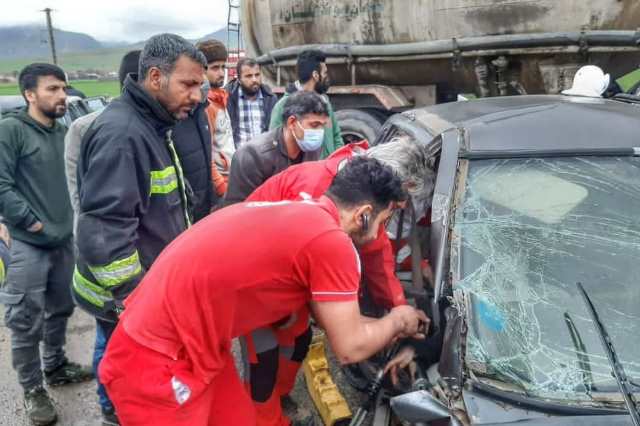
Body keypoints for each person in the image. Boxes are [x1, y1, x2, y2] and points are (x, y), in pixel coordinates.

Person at [99, 156, 429, 425]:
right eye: (383, 222)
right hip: (156, 362)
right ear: (363, 214)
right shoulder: (331, 242)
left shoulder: (300, 212)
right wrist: (399, 320)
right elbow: (350, 346)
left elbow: (336, 321)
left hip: (197, 347)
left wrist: (398, 317)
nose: (380, 235)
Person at [244, 136, 434, 425]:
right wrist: (391, 322)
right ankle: (263, 416)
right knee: (264, 361)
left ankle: (277, 405)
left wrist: (398, 306)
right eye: (393, 208)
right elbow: (347, 346)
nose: (380, 228)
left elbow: (377, 256)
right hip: (257, 289)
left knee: (296, 344)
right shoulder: (314, 191)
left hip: (287, 290)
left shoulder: (358, 199)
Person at [73, 34, 206, 425]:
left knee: (119, 360)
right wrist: (136, 301)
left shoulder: (150, 124)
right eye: (188, 84)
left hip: (139, 288)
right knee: (123, 369)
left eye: (199, 85)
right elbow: (104, 232)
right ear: (154, 77)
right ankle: (114, 414)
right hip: (123, 296)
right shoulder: (124, 135)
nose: (197, 95)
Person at [0, 63, 93, 426]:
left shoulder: (64, 131)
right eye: (52, 89)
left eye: (64, 88)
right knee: (25, 320)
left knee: (61, 309)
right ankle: (32, 388)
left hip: (64, 240)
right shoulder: (11, 131)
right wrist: (28, 220)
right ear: (29, 94)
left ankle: (55, 366)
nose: (62, 96)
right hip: (28, 243)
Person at [64, 49, 140, 426]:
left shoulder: (145, 126)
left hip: (123, 254)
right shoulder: (94, 128)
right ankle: (108, 405)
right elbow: (81, 196)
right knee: (106, 338)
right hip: (100, 260)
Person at [224, 91, 328, 205]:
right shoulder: (253, 156)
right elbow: (236, 210)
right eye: (314, 125)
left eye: (323, 126)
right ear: (292, 123)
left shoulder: (313, 149)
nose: (319, 132)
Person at [269, 49, 343, 158]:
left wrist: (338, 161)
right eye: (325, 73)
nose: (327, 77)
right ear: (315, 75)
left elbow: (336, 136)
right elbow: (274, 144)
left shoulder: (324, 102)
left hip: (328, 170)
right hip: (301, 172)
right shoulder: (283, 105)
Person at [196, 39, 235, 199]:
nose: (221, 73)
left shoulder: (221, 98)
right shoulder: (206, 106)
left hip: (230, 176)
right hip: (220, 184)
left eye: (223, 67)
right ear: (201, 71)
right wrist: (221, 187)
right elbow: (207, 152)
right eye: (214, 68)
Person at [226, 57, 278, 147]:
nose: (254, 79)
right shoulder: (228, 98)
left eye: (257, 75)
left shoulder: (270, 99)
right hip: (238, 156)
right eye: (249, 76)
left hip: (263, 154)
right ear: (239, 79)